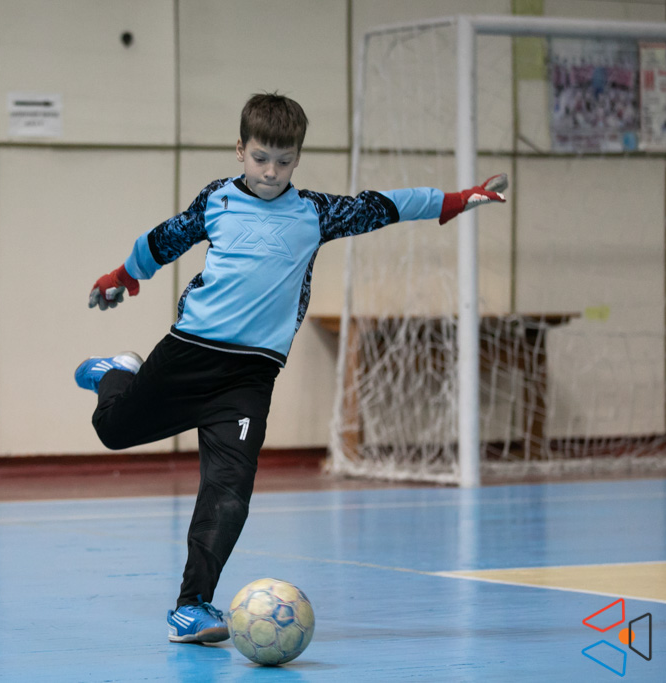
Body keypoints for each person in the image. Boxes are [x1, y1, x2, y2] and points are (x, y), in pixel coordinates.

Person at [75, 92, 506, 644]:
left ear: (298, 158)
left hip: (251, 377)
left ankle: (192, 606)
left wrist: (457, 200)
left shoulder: (314, 213)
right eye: (260, 158)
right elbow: (164, 240)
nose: (271, 172)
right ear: (240, 150)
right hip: (190, 351)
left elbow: (384, 206)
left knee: (229, 490)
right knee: (112, 431)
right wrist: (123, 276)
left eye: (283, 161)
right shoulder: (218, 201)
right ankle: (117, 371)